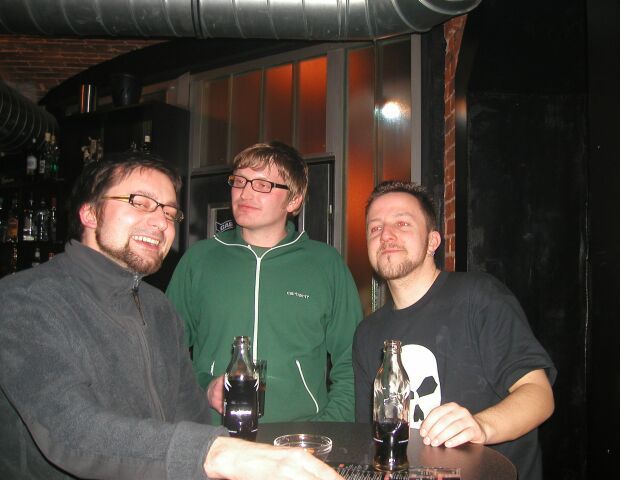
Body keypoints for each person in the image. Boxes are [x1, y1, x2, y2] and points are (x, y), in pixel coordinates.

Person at [0, 152, 342, 480]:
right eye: (140, 202)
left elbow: (189, 414)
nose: (160, 221)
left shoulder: (157, 308)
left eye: (169, 211)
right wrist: (222, 455)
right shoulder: (24, 299)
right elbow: (71, 429)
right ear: (90, 213)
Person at [352, 180, 556, 480]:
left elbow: (539, 394)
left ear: (432, 242)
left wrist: (480, 426)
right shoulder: (367, 334)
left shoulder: (479, 297)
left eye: (402, 223)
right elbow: (370, 436)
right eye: (375, 228)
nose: (386, 235)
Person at [167, 142, 362, 424]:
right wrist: (204, 386)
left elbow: (353, 363)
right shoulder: (198, 260)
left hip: (299, 439)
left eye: (262, 185)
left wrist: (329, 429)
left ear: (294, 200)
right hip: (212, 435)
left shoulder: (326, 264)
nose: (245, 193)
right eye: (239, 181)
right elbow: (165, 353)